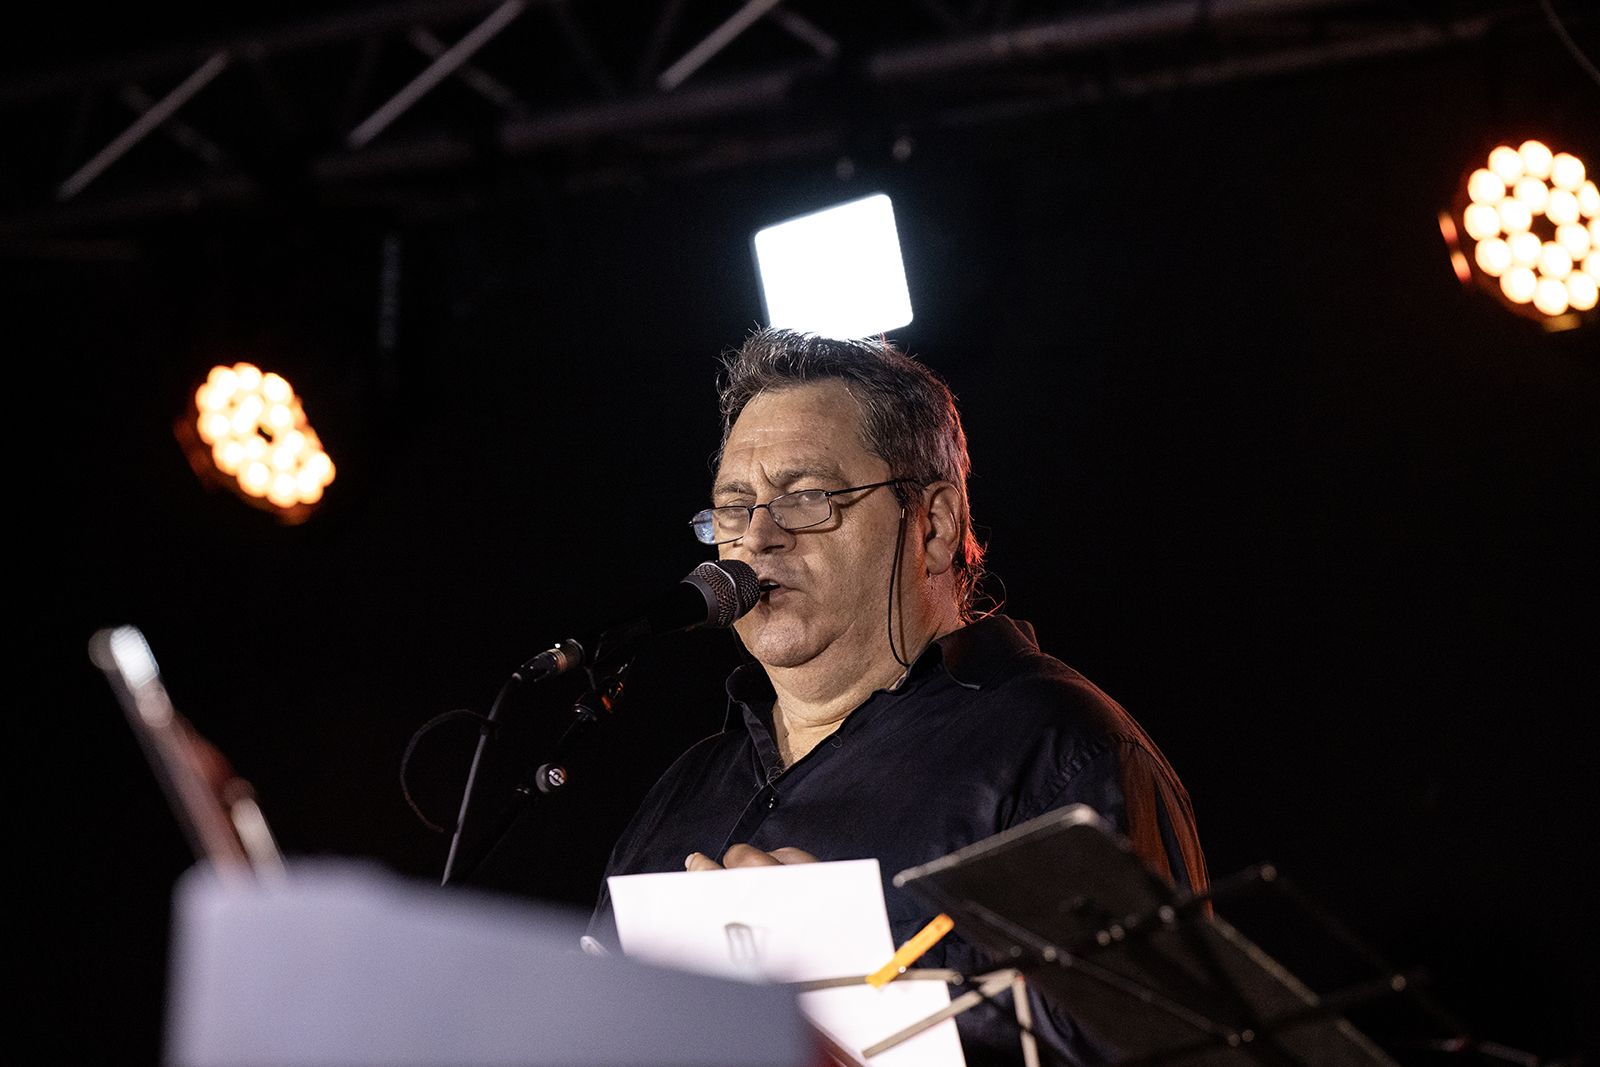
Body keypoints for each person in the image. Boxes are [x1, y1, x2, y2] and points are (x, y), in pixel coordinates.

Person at [586, 327, 1206, 1066]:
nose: (758, 537)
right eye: (733, 507)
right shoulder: (685, 790)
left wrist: (845, 1000)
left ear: (935, 525)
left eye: (806, 496)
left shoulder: (1059, 753)